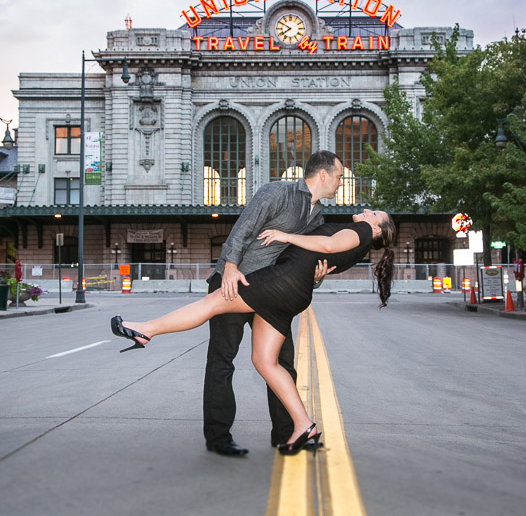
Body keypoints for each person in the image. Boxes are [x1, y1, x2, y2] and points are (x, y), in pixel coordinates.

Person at [111, 209, 396, 455]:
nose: (369, 212)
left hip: (279, 282)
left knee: (212, 303)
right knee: (265, 361)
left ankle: (146, 329)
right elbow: (321, 260)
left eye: (375, 215)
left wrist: (287, 236)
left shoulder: (360, 230)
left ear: (376, 229)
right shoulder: (361, 247)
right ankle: (303, 425)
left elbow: (330, 244)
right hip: (294, 294)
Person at [202, 151, 343, 457]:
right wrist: (229, 267)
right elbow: (243, 229)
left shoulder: (317, 217)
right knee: (222, 360)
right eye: (339, 176)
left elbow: (300, 259)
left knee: (282, 361)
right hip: (235, 282)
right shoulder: (277, 191)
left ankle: (286, 433)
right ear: (323, 175)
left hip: (269, 294)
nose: (340, 182)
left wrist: (317, 277)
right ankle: (218, 436)